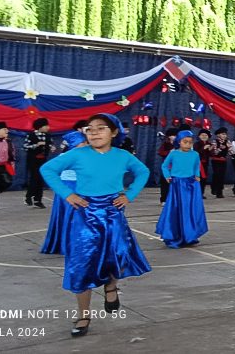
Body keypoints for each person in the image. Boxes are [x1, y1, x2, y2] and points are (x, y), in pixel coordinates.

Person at [39, 114, 150, 337]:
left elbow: (143, 172)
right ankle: (83, 315)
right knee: (82, 264)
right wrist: (67, 195)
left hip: (113, 212)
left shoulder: (122, 156)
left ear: (114, 132)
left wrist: (130, 195)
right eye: (90, 129)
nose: (94, 133)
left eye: (101, 128)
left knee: (116, 255)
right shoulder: (78, 154)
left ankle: (111, 286)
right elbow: (47, 170)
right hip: (85, 214)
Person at [156, 130, 207, 248]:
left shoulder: (195, 154)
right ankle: (175, 234)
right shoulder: (173, 153)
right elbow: (164, 165)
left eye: (190, 142)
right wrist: (167, 176)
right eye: (185, 142)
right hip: (177, 184)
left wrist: (197, 176)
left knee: (189, 208)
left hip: (191, 184)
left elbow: (196, 166)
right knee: (176, 208)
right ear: (179, 142)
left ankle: (190, 234)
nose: (188, 144)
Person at [41, 131, 88, 255]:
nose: (85, 144)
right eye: (82, 142)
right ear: (74, 144)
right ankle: (68, 244)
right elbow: (48, 171)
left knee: (79, 216)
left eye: (85, 142)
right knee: (69, 215)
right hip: (68, 187)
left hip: (81, 187)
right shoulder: (66, 156)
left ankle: (79, 243)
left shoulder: (88, 155)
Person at [24, 117, 53, 208]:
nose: (48, 127)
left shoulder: (48, 136)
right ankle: (29, 196)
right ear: (40, 126)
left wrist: (51, 147)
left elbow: (51, 145)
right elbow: (25, 146)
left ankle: (38, 200)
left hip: (43, 160)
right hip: (33, 160)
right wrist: (36, 145)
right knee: (34, 178)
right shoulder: (31, 135)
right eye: (46, 125)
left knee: (40, 179)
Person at [209, 128, 230, 198]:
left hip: (223, 161)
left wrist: (231, 149)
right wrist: (221, 148)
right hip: (216, 160)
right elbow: (215, 153)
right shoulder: (214, 141)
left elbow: (231, 151)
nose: (224, 136)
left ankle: (219, 192)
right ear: (218, 135)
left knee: (222, 176)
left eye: (225, 134)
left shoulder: (227, 142)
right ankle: (215, 188)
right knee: (217, 175)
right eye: (223, 134)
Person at [157, 129, 176, 204]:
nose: (174, 137)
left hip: (176, 168)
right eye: (172, 135)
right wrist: (169, 152)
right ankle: (164, 199)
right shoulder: (165, 144)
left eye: (175, 135)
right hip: (167, 168)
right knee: (165, 184)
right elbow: (160, 152)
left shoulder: (179, 144)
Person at [194, 129, 212, 197]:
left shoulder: (209, 144)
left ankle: (201, 193)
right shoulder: (196, 144)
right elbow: (195, 153)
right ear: (199, 136)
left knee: (204, 179)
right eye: (202, 135)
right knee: (197, 178)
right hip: (198, 164)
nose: (204, 136)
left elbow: (212, 155)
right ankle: (196, 193)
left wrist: (211, 150)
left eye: (206, 135)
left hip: (205, 164)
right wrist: (203, 148)